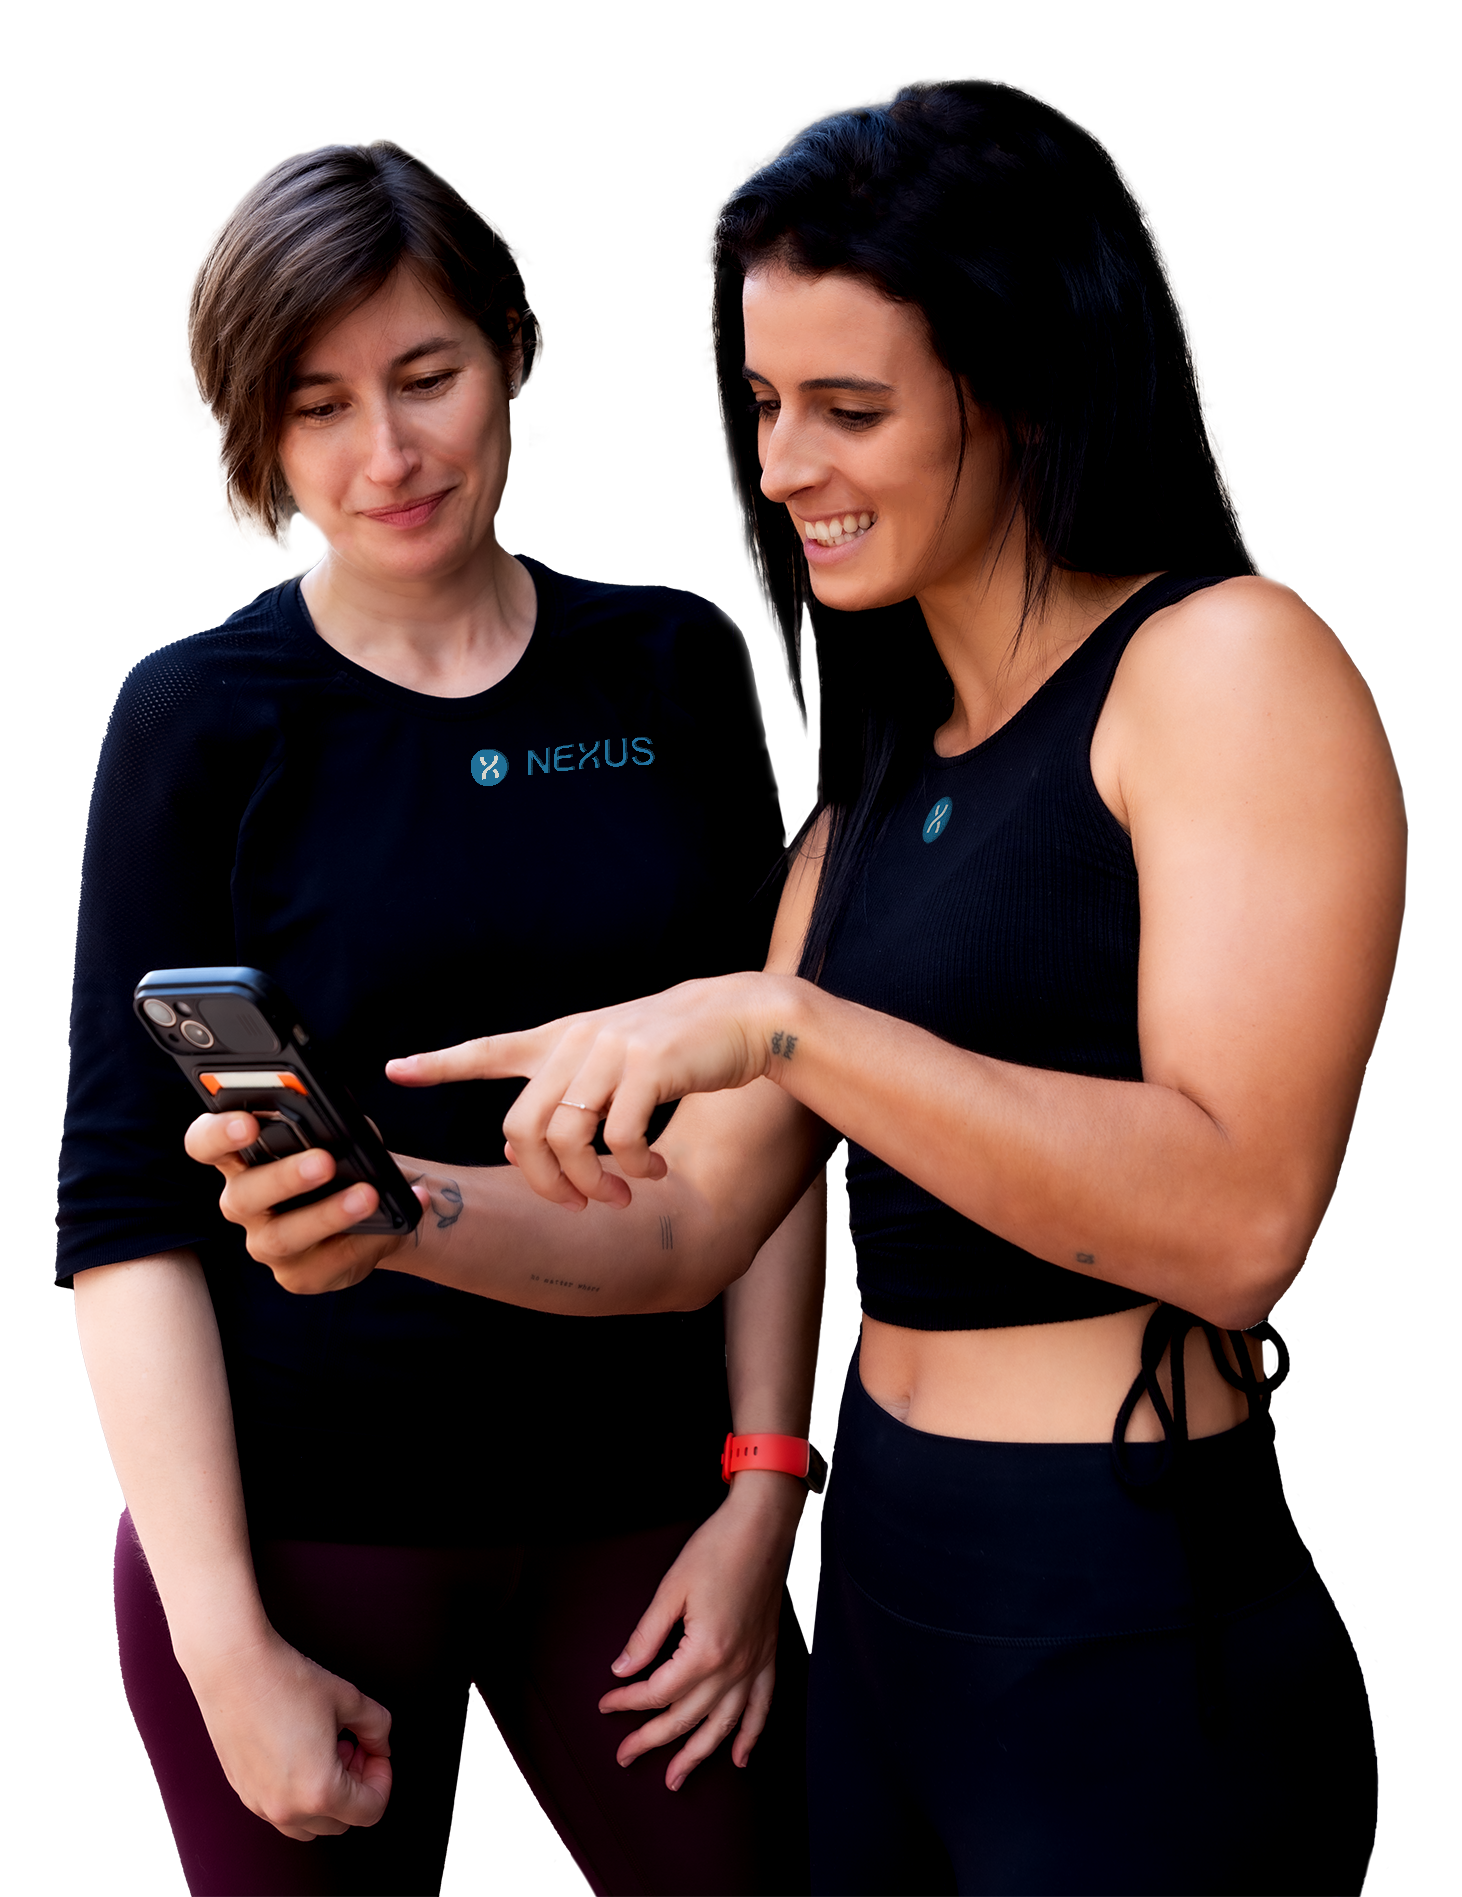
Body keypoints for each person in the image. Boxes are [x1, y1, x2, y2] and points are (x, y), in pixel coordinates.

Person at [190, 78, 1405, 1896]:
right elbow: (690, 1229)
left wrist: (788, 1024)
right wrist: (394, 1211)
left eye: (850, 409)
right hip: (891, 1585)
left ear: (1026, 386)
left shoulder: (1222, 661)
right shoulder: (889, 753)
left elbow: (1236, 1219)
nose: (779, 469)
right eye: (763, 406)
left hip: (1125, 1607)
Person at [55, 133, 823, 1897]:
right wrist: (220, 1642)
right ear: (257, 436)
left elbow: (777, 1099)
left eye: (426, 377)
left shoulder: (674, 669)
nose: (385, 456)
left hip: (644, 1517)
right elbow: (124, 1213)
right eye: (317, 406)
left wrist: (761, 1483)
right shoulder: (200, 719)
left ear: (510, 352)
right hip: (304, 1531)